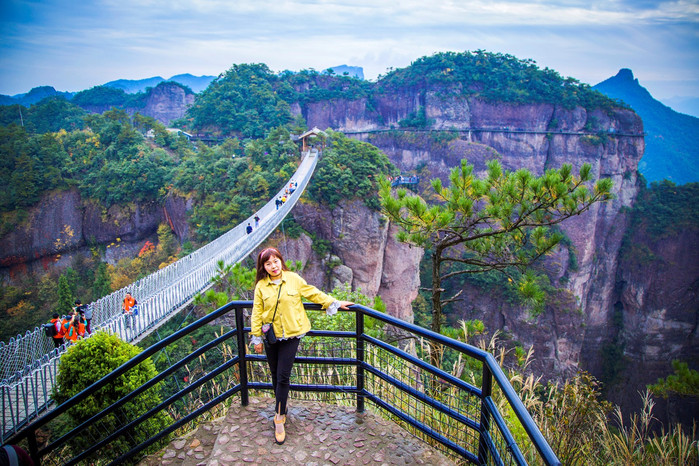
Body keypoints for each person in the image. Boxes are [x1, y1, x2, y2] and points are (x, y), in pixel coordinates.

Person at [249, 247, 353, 445]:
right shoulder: (261, 286)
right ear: (263, 267)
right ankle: (282, 406)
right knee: (274, 373)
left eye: (276, 261)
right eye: (268, 263)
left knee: (283, 376)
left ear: (281, 261)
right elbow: (257, 311)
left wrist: (334, 303)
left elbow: (312, 293)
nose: (273, 266)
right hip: (270, 335)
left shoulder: (294, 279)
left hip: (292, 334)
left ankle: (279, 417)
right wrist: (256, 338)